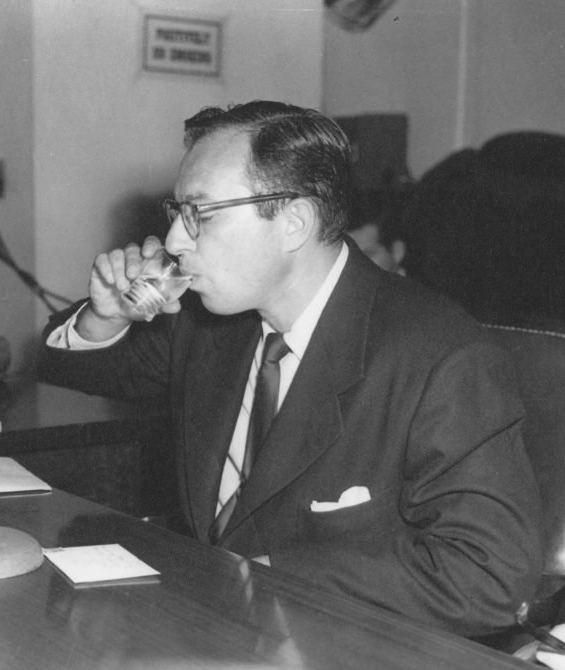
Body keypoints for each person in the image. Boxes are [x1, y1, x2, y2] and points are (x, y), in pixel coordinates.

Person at [39, 100, 542, 637]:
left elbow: (490, 575)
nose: (174, 243)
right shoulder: (209, 323)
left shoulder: (439, 356)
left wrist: (262, 575)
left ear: (293, 222)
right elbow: (82, 369)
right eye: (176, 213)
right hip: (207, 632)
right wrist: (103, 314)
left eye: (199, 215)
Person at [346, 187, 409, 275]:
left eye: (366, 256)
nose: (354, 267)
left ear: (397, 251)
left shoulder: (421, 287)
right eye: (347, 259)